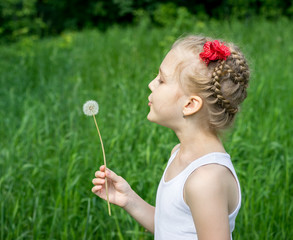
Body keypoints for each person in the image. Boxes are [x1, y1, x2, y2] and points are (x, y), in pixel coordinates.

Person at [92, 35, 250, 240]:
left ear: (190, 105)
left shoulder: (206, 180)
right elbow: (173, 229)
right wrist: (129, 199)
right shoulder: (179, 153)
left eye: (162, 80)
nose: (151, 84)